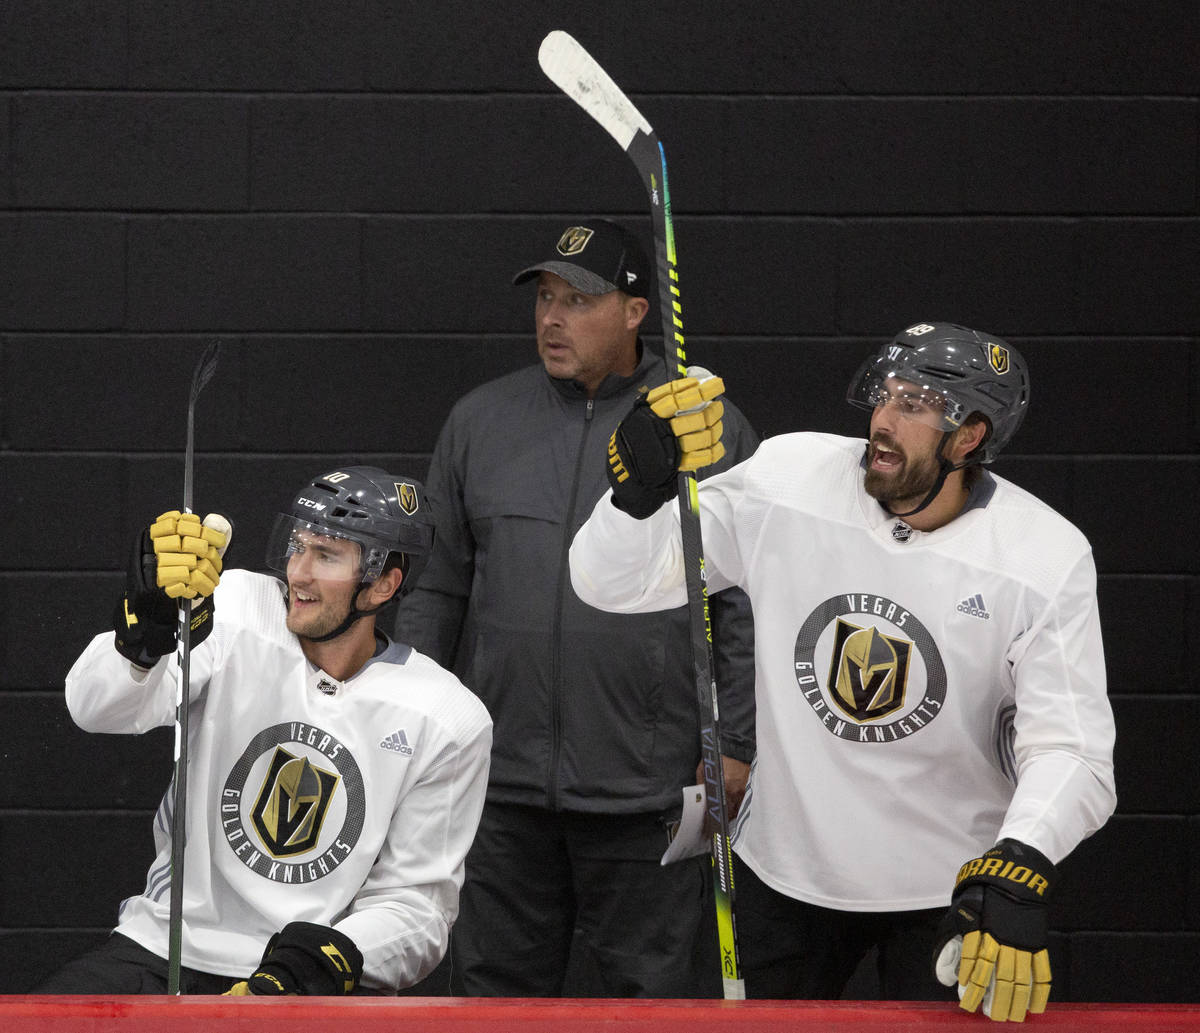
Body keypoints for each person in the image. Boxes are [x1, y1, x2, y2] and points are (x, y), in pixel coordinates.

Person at [569, 322, 1116, 1021]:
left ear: (971, 435)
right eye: (885, 395)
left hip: (944, 886)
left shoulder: (1043, 555)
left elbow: (1072, 749)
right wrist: (633, 501)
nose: (883, 421)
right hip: (780, 872)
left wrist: (1023, 855)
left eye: (916, 405)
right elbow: (611, 584)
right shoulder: (790, 479)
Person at [393, 217, 758, 997]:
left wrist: (736, 742)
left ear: (634, 312)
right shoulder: (481, 421)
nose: (552, 319)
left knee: (649, 1002)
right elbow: (440, 586)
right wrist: (407, 723)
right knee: (494, 998)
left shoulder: (703, 427)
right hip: (501, 786)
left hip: (649, 788)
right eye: (546, 298)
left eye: (579, 300)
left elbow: (741, 605)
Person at [36, 467, 492, 995]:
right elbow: (93, 708)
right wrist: (141, 643)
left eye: (326, 556)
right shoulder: (234, 608)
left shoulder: (448, 717)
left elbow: (417, 907)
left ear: (385, 583)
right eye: (297, 546)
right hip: (170, 945)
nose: (298, 572)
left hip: (308, 977)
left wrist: (317, 965)